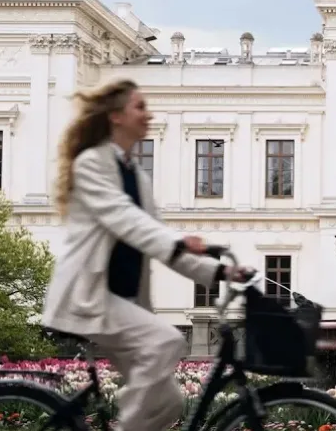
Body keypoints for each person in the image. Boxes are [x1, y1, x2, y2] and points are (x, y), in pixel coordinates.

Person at [41, 78, 253, 431]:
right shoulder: (92, 163)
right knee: (167, 341)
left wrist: (221, 272)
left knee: (169, 404)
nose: (148, 114)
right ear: (115, 116)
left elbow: (160, 243)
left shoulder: (136, 175)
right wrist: (179, 239)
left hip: (124, 302)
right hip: (91, 297)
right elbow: (126, 220)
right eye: (139, 107)